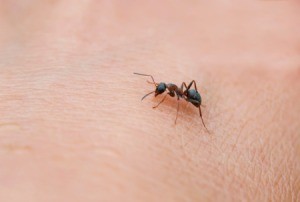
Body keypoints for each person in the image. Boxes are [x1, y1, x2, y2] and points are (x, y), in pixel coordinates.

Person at [0, 1, 299, 201]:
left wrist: (177, 108)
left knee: (186, 99)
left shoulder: (179, 94)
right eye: (158, 91)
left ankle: (203, 119)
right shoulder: (168, 88)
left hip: (194, 101)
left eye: (158, 92)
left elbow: (181, 98)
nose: (159, 93)